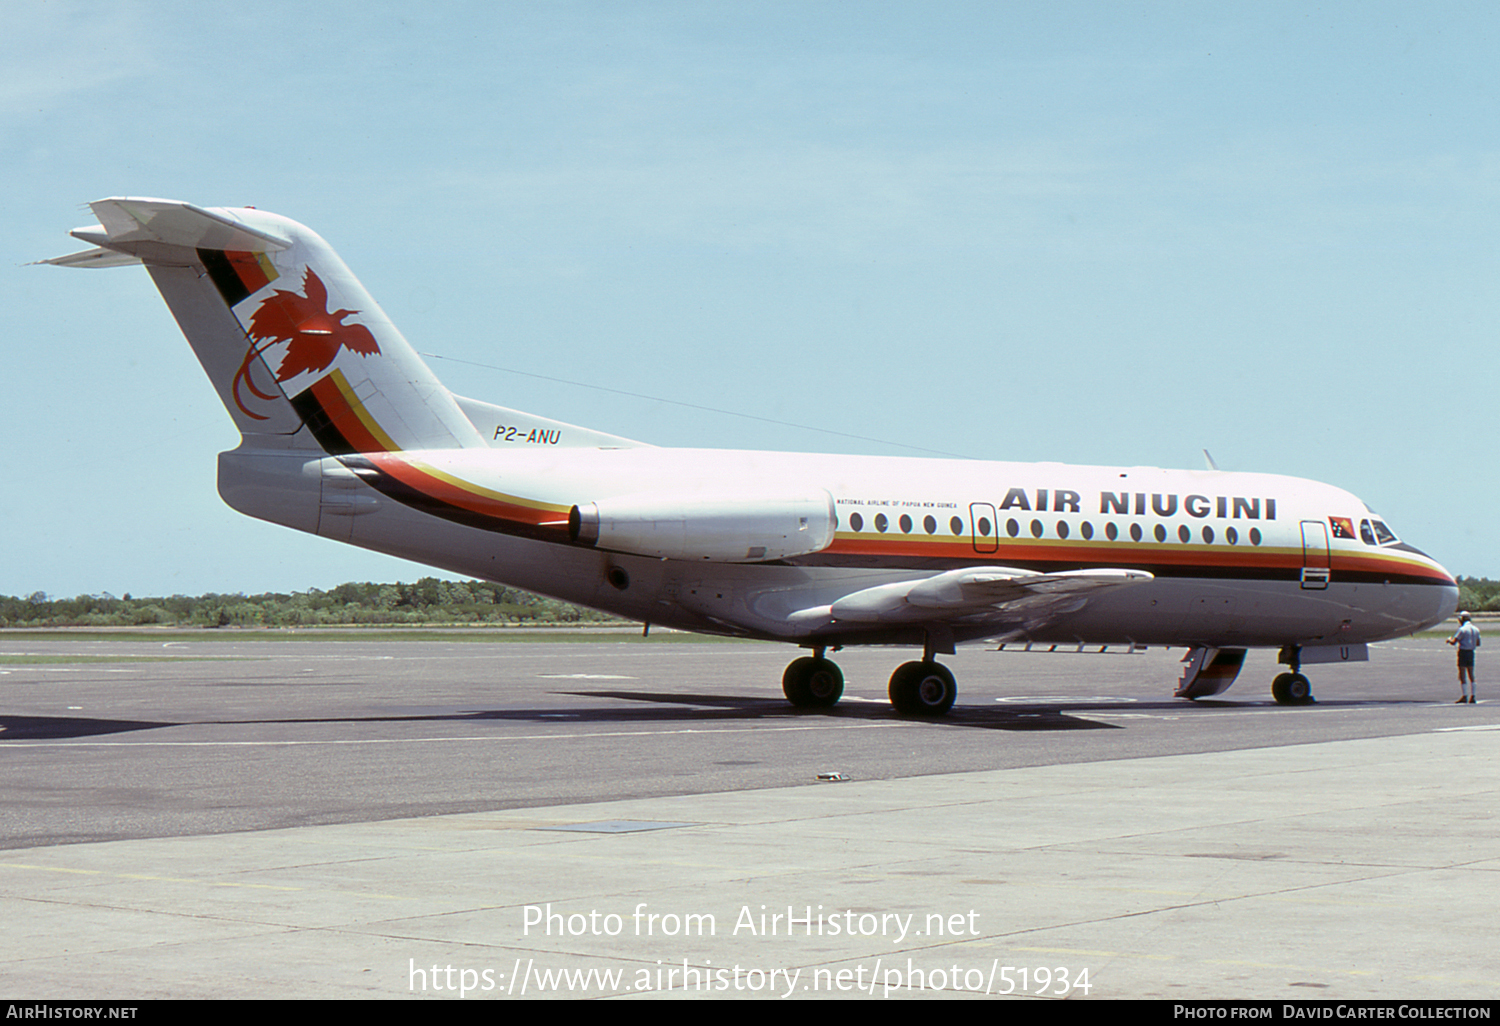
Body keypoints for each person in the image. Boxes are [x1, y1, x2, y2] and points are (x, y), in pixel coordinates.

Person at [1447, 611, 1482, 703]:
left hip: (1463, 652)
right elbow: (1478, 643)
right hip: (1471, 652)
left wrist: (1449, 640)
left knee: (1462, 674)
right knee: (1471, 674)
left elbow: (1454, 641)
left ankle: (1464, 695)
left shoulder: (1462, 629)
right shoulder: (1476, 629)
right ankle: (1473, 696)